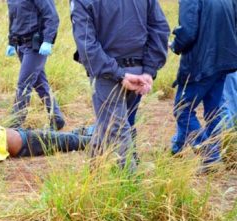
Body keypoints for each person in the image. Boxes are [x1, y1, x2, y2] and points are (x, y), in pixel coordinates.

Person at [70, 0, 170, 171]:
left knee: (118, 131)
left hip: (109, 75)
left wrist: (121, 74)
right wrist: (147, 70)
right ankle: (94, 175)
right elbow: (160, 28)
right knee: (107, 124)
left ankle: (132, 190)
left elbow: (86, 45)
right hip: (134, 71)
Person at [169, 0, 237, 172]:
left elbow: (188, 33)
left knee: (182, 110)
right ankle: (204, 152)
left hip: (200, 65)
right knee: (214, 110)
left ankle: (210, 157)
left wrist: (175, 44)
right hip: (224, 62)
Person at [5, 0, 66, 130]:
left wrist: (48, 40)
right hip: (20, 45)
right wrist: (11, 41)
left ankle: (15, 124)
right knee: (40, 84)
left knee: (24, 84)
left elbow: (52, 16)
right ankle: (56, 118)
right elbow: (13, 18)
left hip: (35, 46)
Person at [0, 125, 94, 163]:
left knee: (64, 139)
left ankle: (89, 131)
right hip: (26, 141)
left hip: (22, 137)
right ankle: (104, 139)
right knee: (69, 141)